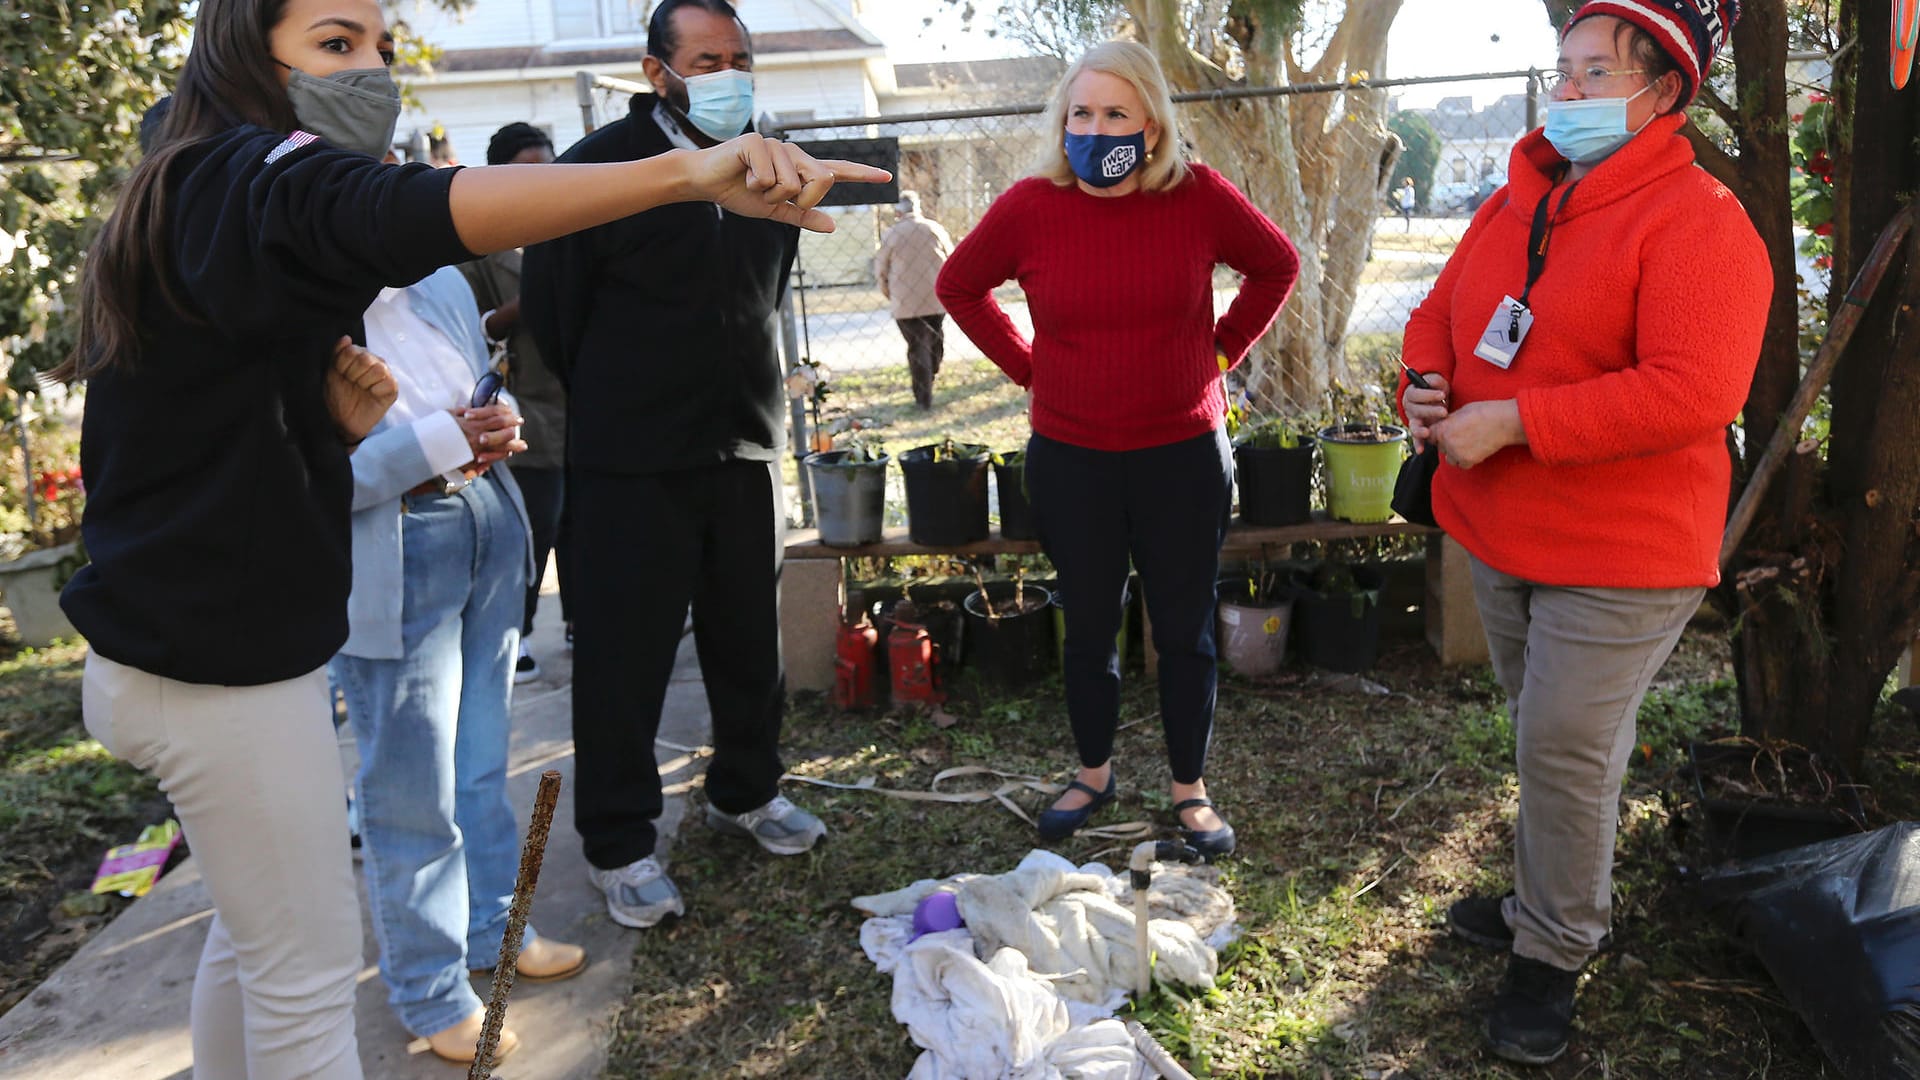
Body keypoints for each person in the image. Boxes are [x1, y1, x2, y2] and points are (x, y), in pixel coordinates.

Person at [57, 0, 886, 1068]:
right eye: (336, 44)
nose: (372, 75)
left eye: (381, 48)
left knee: (251, 948)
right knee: (306, 986)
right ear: (239, 54)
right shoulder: (244, 176)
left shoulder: (200, 197)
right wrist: (684, 174)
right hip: (218, 672)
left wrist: (327, 428)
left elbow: (217, 454)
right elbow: (417, 209)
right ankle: (447, 969)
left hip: (188, 649)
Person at [1399, 0, 1765, 1066]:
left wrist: (1516, 420)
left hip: (1624, 550)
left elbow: (1693, 392)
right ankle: (1540, 898)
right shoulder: (1519, 197)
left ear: (1664, 91)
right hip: (1505, 529)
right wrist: (1425, 382)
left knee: (1563, 745)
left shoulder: (1700, 219)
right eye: (1562, 70)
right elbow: (1441, 311)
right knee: (1546, 735)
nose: (1566, 93)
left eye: (1593, 73)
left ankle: (1553, 950)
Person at [934, 41, 1299, 859]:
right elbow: (959, 284)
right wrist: (1028, 369)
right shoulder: (1031, 206)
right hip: (1073, 457)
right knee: (1089, 623)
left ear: (1153, 124)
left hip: (1182, 453)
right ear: (1063, 123)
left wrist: (1221, 352)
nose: (1095, 129)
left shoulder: (1198, 196)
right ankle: (1093, 773)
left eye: (1114, 114)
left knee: (1184, 627)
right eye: (1080, 113)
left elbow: (1277, 264)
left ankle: (1189, 789)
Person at [521, 0, 834, 933]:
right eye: (707, 58)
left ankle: (749, 790)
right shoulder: (598, 171)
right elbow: (556, 314)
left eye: (741, 56)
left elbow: (764, 294)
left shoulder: (771, 162)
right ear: (658, 71)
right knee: (624, 657)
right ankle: (620, 845)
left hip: (742, 443)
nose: (729, 73)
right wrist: (631, 398)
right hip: (629, 460)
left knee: (749, 641)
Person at [329, 264, 583, 1064]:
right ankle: (431, 989)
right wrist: (439, 441)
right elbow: (297, 479)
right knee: (411, 786)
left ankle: (493, 934)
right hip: (395, 542)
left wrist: (493, 418)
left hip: (487, 518)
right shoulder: (287, 305)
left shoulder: (433, 281)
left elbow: (479, 378)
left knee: (479, 763)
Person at [460, 121, 570, 683]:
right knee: (536, 526)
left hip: (580, 398)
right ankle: (518, 632)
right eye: (527, 171)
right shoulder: (480, 241)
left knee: (584, 521)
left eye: (549, 170)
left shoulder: (572, 225)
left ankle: (581, 620)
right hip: (521, 402)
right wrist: (528, 302)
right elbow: (469, 328)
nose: (541, 182)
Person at [873, 190, 955, 409]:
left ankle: (922, 396)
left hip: (905, 303)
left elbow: (881, 269)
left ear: (898, 212)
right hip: (936, 298)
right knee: (935, 340)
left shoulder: (891, 234)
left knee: (917, 347)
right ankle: (932, 374)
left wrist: (890, 294)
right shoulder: (934, 229)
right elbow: (952, 259)